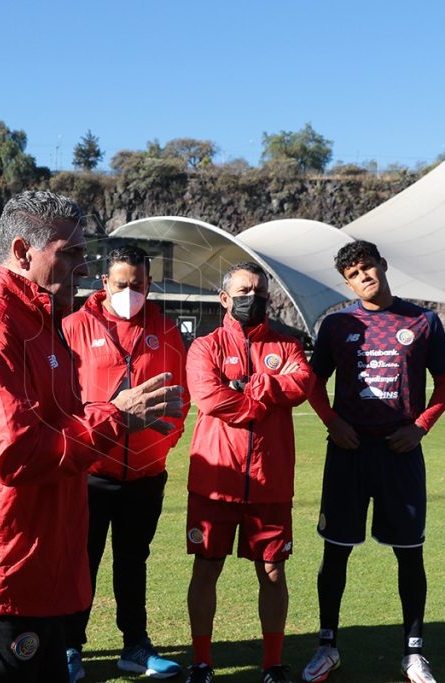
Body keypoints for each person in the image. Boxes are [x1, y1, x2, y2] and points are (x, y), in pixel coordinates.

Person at [0, 190, 185, 681]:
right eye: (70, 253)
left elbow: (51, 425)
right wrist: (115, 418)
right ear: (23, 252)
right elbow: (17, 455)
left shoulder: (40, 325)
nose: (84, 268)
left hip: (34, 571)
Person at [302, 240, 445, 683]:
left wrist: (420, 427)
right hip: (348, 453)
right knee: (335, 552)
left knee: (410, 555)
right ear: (347, 282)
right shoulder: (337, 324)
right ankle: (327, 646)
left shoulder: (423, 321)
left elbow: (444, 386)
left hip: (399, 454)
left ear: (383, 266)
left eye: (368, 267)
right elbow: (314, 384)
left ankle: (413, 653)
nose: (364, 277)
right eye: (354, 274)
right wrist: (332, 421)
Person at [62, 244, 189, 681]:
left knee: (133, 562)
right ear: (104, 284)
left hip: (145, 475)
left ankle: (135, 645)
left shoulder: (167, 330)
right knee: (83, 562)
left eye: (138, 285)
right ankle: (69, 647)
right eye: (121, 284)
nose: (130, 292)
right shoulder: (74, 326)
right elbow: (61, 398)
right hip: (90, 473)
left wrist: (159, 448)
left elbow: (180, 397)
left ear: (149, 284)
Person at [184, 261, 312, 683]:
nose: (251, 298)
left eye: (259, 292)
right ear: (225, 298)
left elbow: (302, 385)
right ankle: (202, 662)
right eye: (243, 291)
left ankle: (272, 664)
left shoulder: (288, 345)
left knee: (274, 572)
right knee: (206, 569)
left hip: (271, 482)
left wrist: (254, 386)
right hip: (215, 481)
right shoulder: (205, 346)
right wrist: (264, 400)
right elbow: (209, 398)